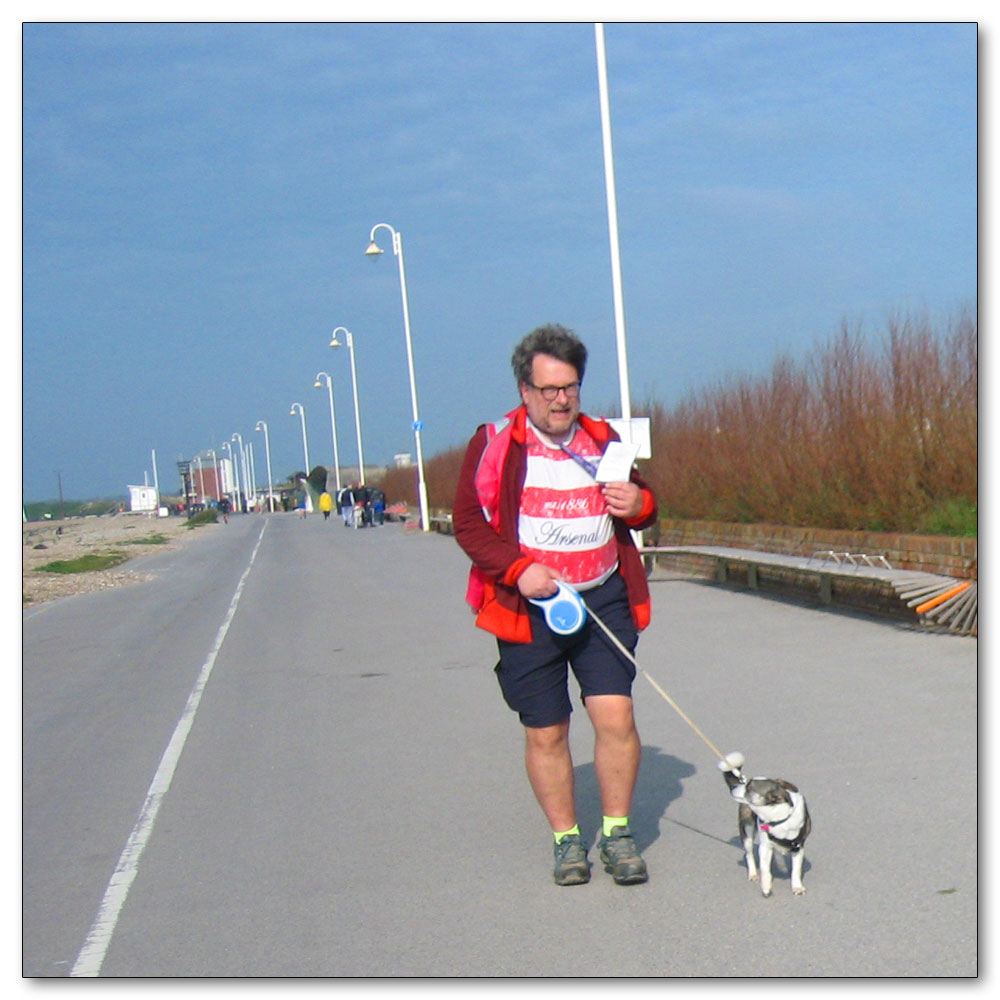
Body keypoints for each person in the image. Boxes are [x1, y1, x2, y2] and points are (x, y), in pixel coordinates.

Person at [453, 324, 658, 888]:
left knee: (616, 714)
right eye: (548, 389)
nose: (561, 399)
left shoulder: (602, 439)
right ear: (525, 391)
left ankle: (617, 833)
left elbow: (642, 506)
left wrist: (639, 502)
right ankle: (568, 840)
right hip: (530, 610)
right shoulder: (494, 442)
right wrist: (520, 570)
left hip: (603, 600)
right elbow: (468, 525)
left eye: (569, 387)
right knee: (546, 731)